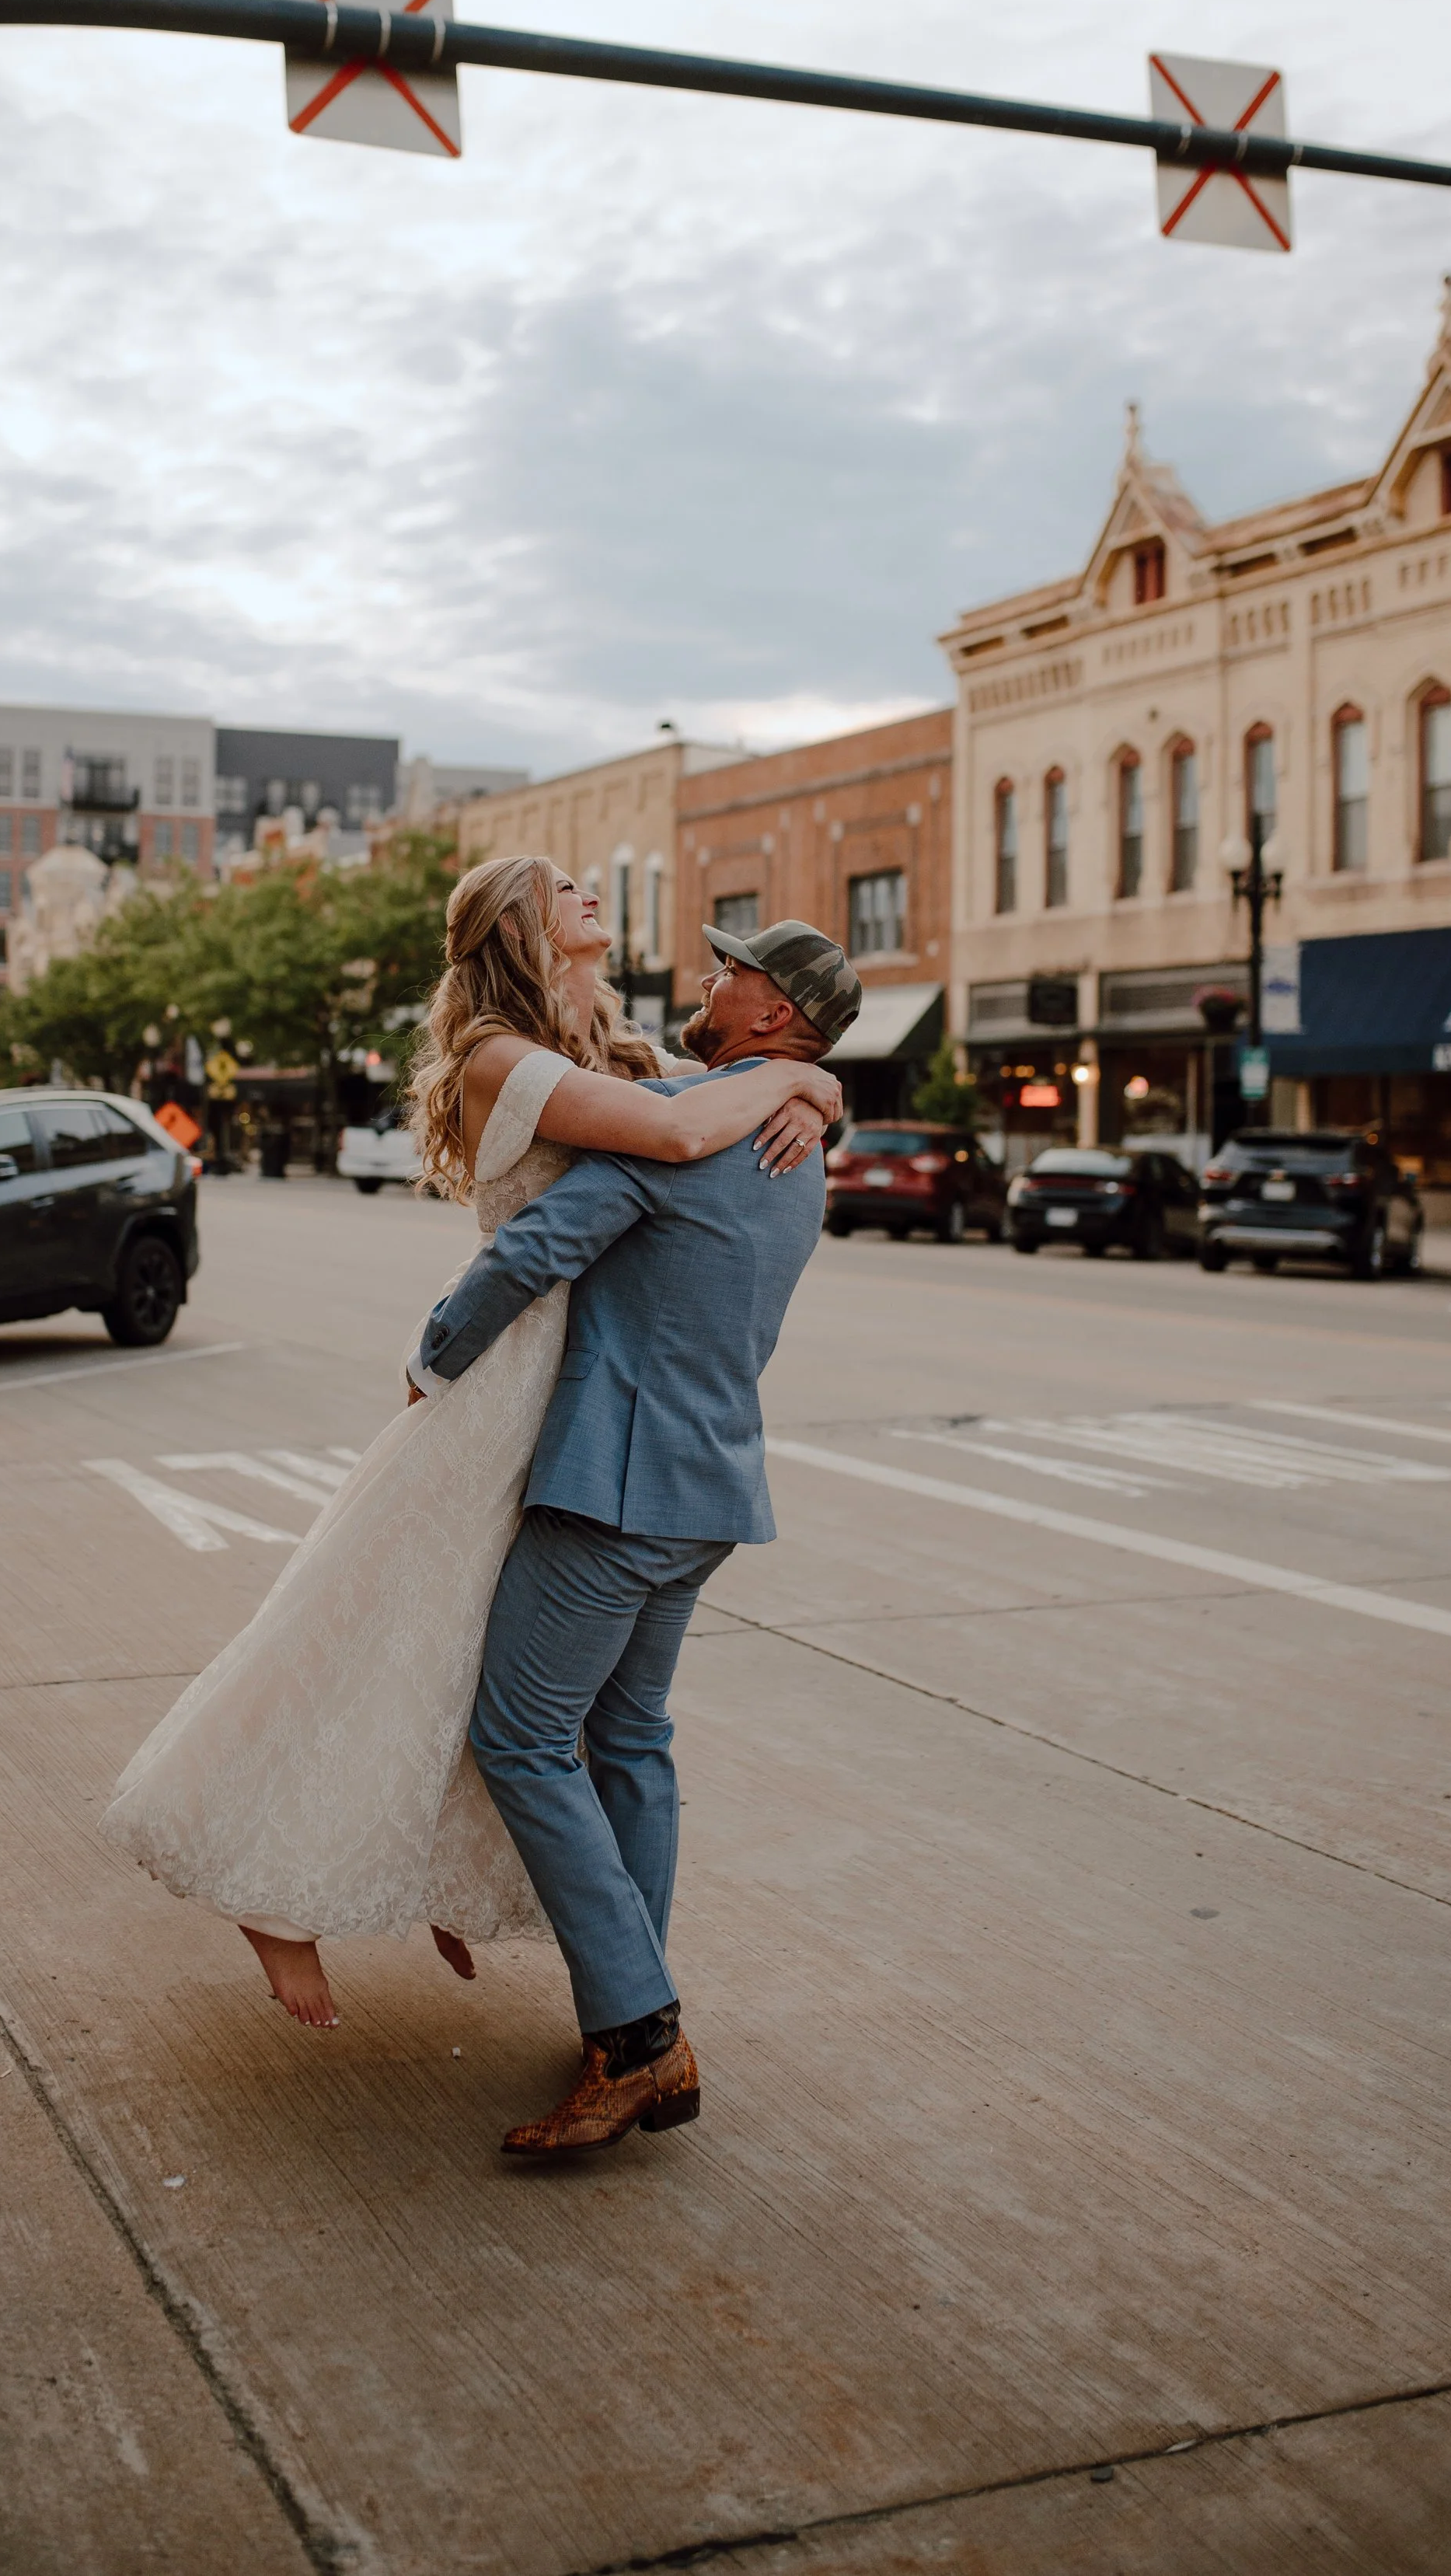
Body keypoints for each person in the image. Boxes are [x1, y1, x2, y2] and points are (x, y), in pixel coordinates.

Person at [99, 860, 842, 2030]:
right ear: (515, 925)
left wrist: (806, 1087)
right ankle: (269, 1888)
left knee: (478, 1672)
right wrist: (803, 1079)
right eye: (566, 887)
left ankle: (570, 1967)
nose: (594, 890)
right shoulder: (505, 1054)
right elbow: (678, 1135)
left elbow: (703, 1110)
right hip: (506, 1379)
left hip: (585, 1396)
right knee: (386, 1638)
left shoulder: (625, 1043)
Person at [406, 913, 862, 2155]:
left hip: (617, 1488)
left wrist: (433, 1356)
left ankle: (642, 2038)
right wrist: (823, 1091)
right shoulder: (790, 1138)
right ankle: (630, 2006)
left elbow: (541, 1247)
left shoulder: (698, 1129)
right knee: (629, 1740)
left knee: (521, 1736)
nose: (709, 982)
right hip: (711, 1484)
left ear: (774, 1014)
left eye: (734, 973)